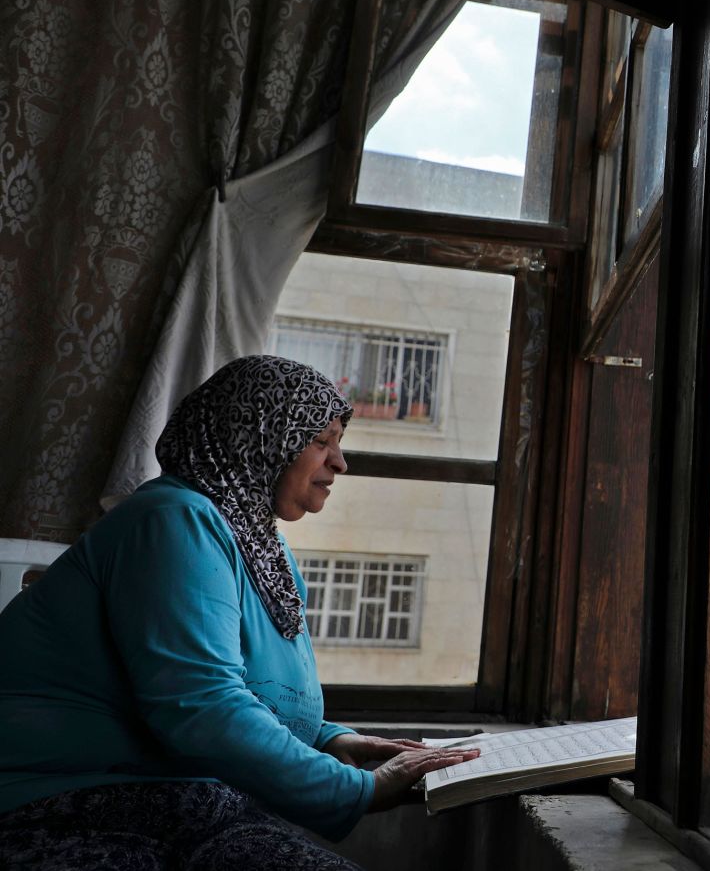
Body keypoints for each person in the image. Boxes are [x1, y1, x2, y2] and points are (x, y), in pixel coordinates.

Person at [0, 355, 479, 870]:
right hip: (67, 803)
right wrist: (361, 788)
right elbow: (200, 706)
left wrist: (332, 738)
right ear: (258, 437)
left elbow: (244, 691)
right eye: (321, 441)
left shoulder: (261, 548)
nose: (340, 462)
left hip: (186, 804)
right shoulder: (173, 520)